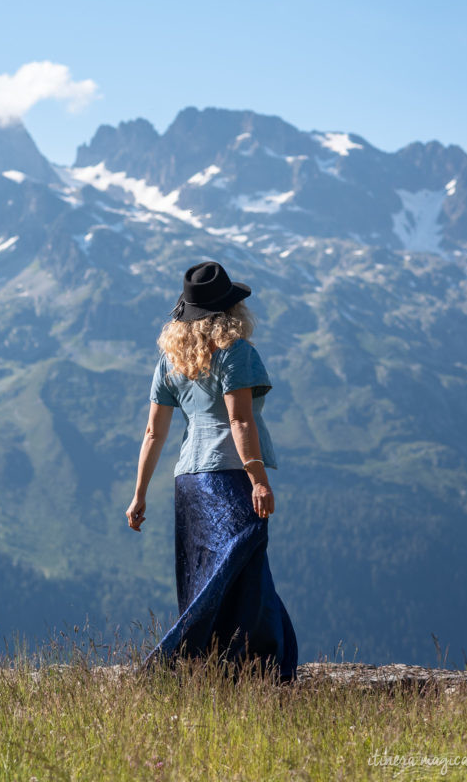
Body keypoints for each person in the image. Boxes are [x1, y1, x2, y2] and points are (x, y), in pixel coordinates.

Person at [126, 260, 298, 682]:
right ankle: (250, 669)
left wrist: (140, 494)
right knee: (245, 572)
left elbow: (153, 432)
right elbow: (240, 421)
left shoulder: (170, 361)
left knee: (207, 571)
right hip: (229, 476)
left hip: (188, 481)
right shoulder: (237, 353)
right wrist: (258, 479)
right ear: (231, 311)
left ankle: (206, 669)